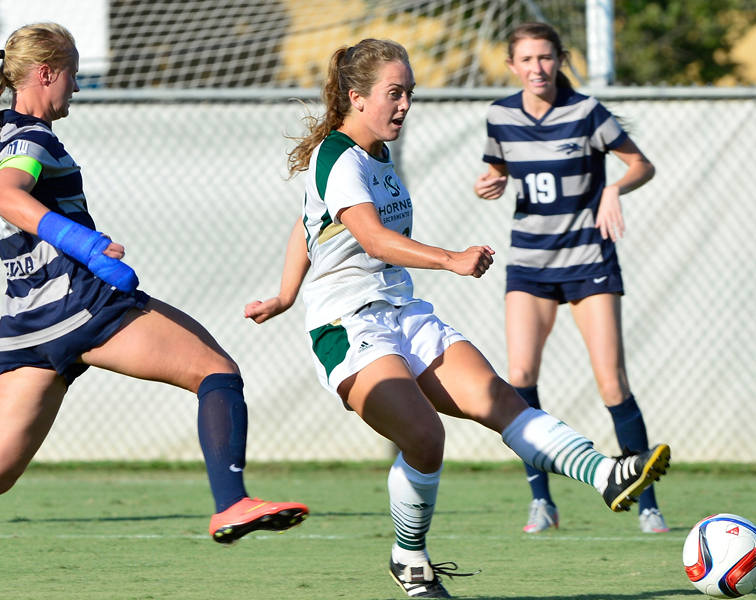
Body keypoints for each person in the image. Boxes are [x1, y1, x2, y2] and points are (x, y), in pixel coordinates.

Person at [244, 38, 669, 599]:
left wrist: (282, 292)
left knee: (500, 400)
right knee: (425, 435)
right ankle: (410, 558)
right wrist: (449, 258)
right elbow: (369, 236)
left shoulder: (375, 154)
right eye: (394, 93)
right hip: (348, 325)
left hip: (403, 311)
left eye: (409, 94)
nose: (404, 105)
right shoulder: (337, 155)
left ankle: (606, 474)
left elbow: (308, 221)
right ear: (357, 97)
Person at [0, 22, 308, 546]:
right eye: (70, 74)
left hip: (25, 326)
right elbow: (6, 194)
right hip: (83, 307)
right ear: (45, 72)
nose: (74, 87)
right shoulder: (30, 137)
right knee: (216, 370)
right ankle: (231, 504)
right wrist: (89, 246)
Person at [473, 22, 666, 535]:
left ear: (560, 60)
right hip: (530, 264)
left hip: (588, 262)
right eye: (527, 59)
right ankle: (543, 503)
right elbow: (498, 169)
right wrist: (489, 182)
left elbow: (641, 165)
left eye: (546, 58)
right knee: (520, 382)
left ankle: (645, 501)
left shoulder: (587, 112)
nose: (537, 68)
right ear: (512, 66)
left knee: (611, 382)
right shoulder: (500, 116)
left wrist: (614, 189)